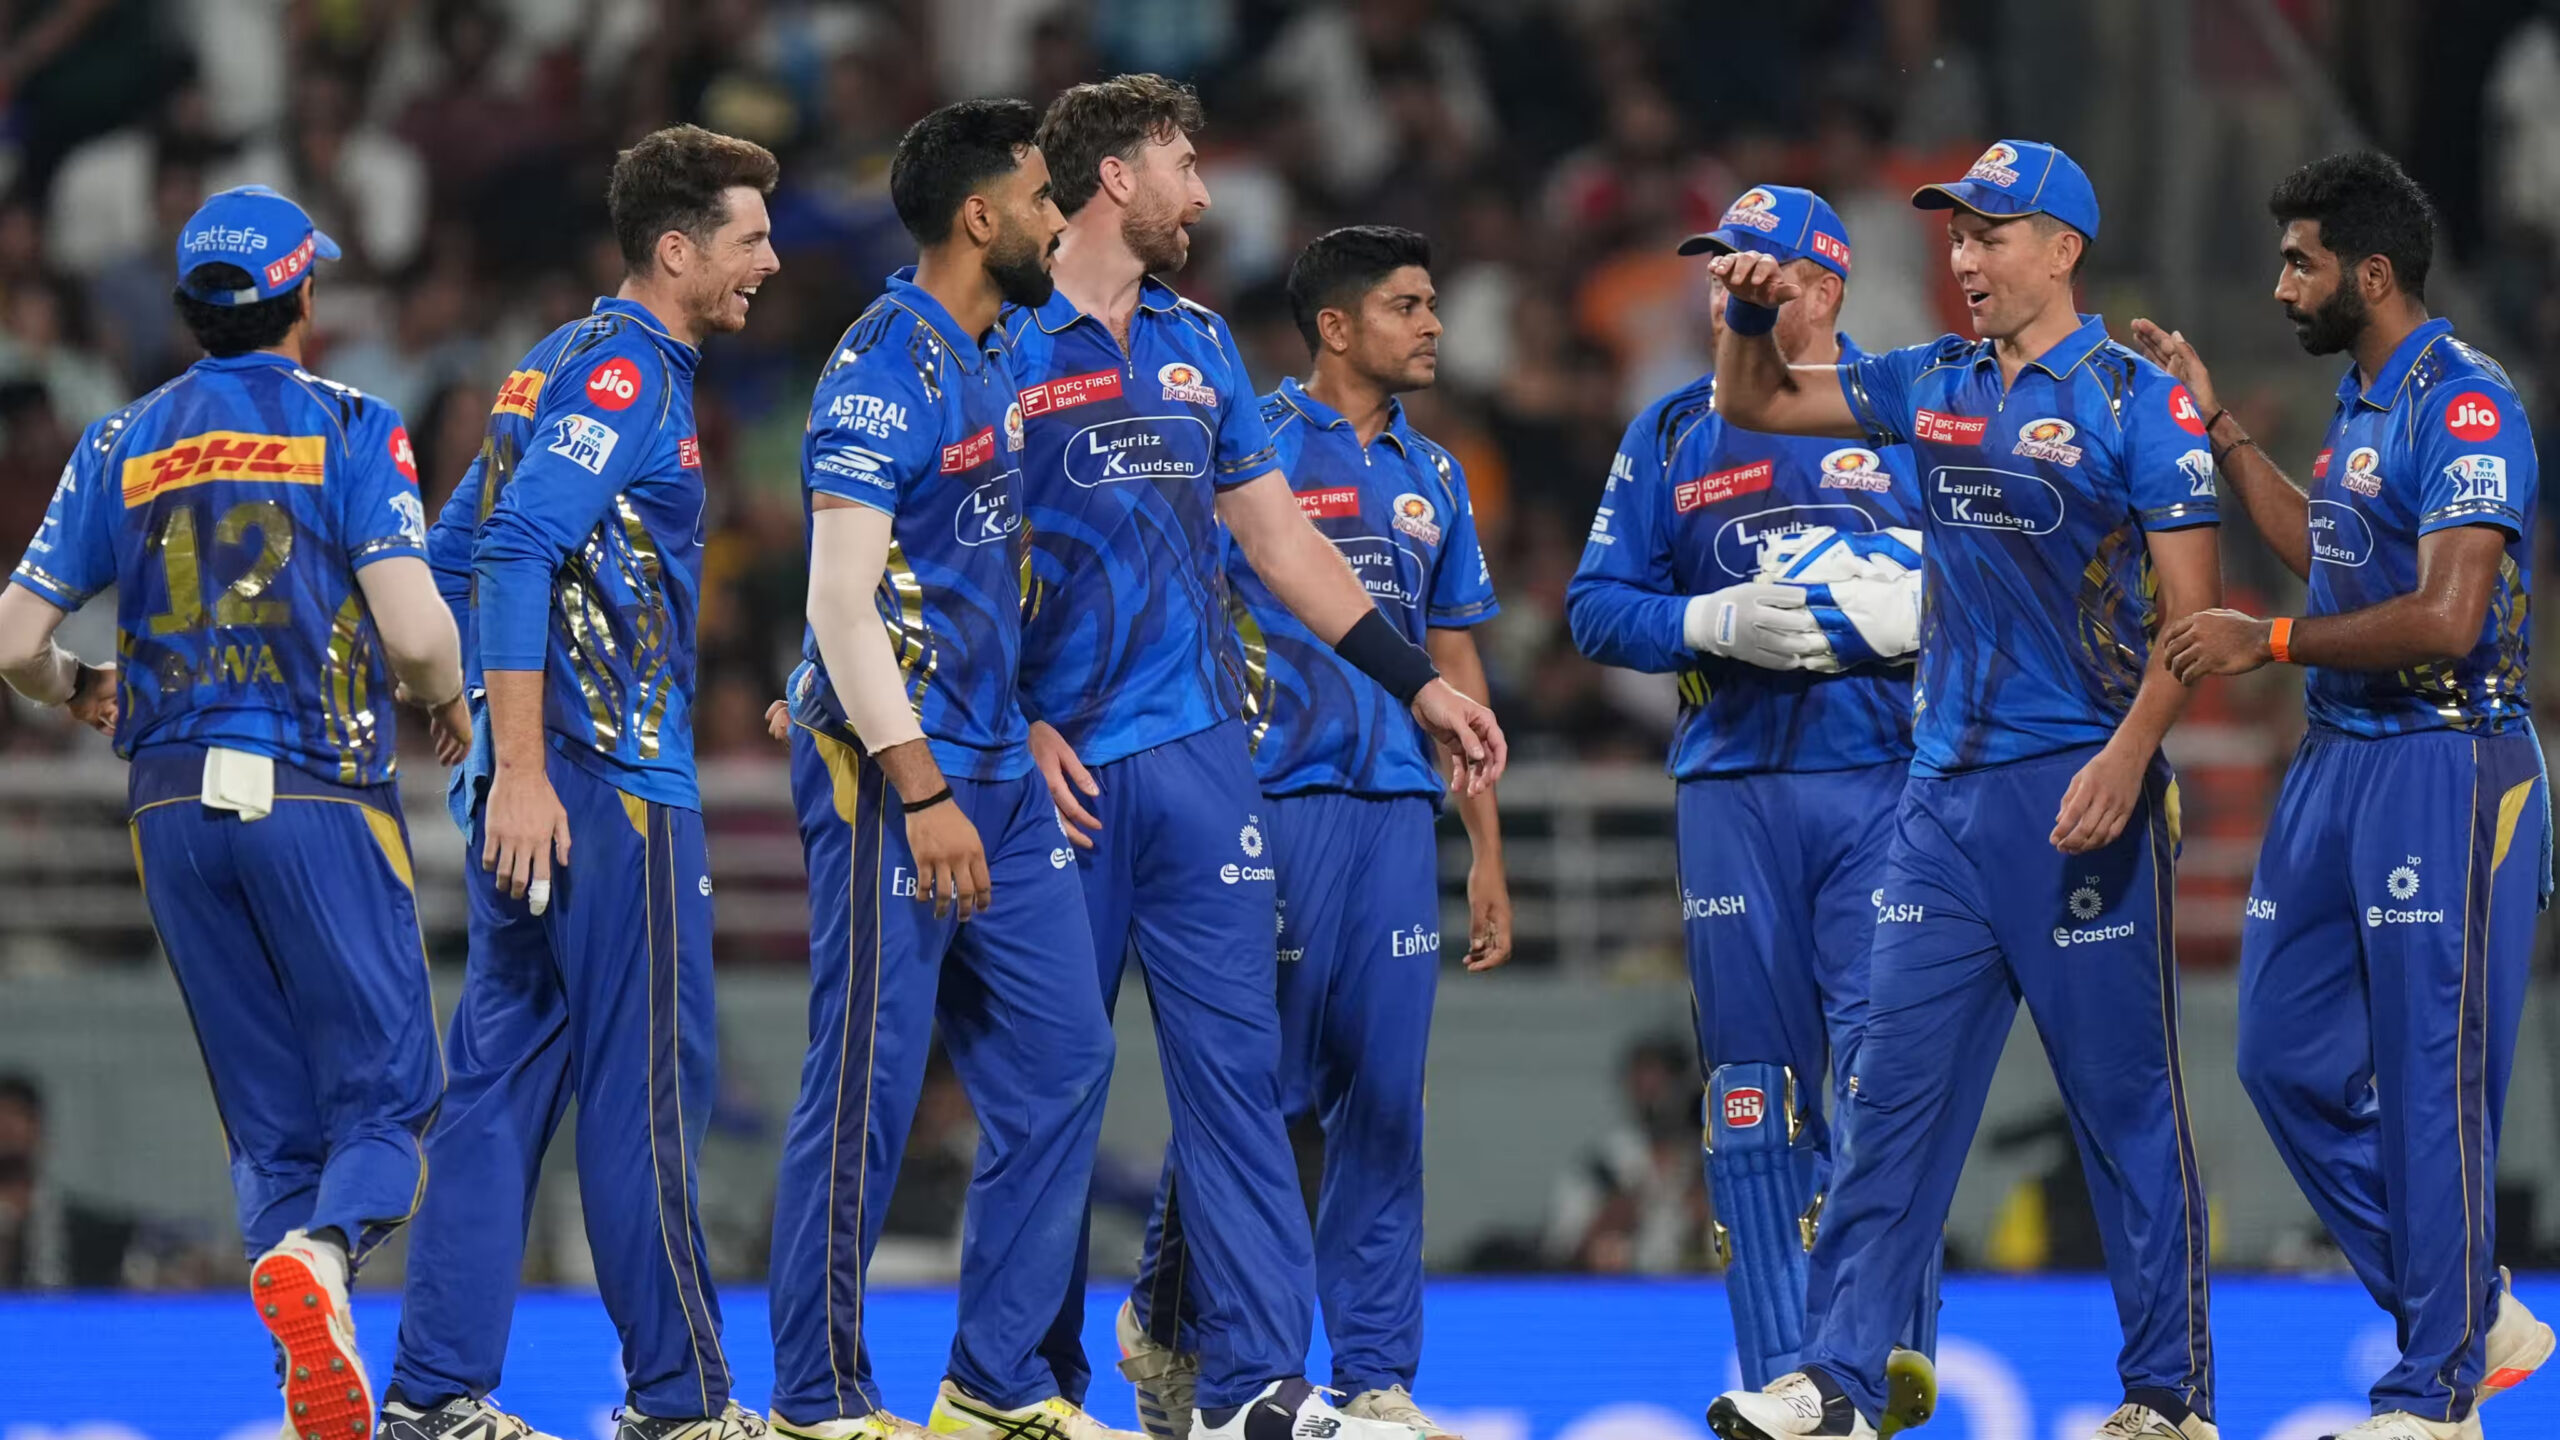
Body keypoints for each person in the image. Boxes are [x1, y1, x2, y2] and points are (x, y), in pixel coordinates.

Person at [1697, 141, 2223, 1440]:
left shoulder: (2137, 401)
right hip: (1936, 805)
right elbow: (1756, 406)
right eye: (1954, 236)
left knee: (2124, 1111)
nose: (1966, 260)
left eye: (1990, 236)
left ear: (2062, 248)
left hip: (2078, 797)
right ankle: (1838, 1378)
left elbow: (2197, 622)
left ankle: (2169, 1399)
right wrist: (1753, 313)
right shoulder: (1930, 379)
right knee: (1887, 1107)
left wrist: (2123, 757)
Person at [1005, 74, 1504, 1440]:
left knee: (1237, 1087)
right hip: (1049, 762)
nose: (1204, 191)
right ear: (1115, 178)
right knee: (1055, 1088)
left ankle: (1256, 1388)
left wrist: (1422, 690)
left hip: (1195, 758)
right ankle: (1029, 1391)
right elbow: (950, 545)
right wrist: (1007, 715)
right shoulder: (996, 330)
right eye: (1180, 162)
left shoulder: (1199, 345)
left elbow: (1283, 548)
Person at [0, 183, 465, 1438]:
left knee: (271, 1125)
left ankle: (304, 1370)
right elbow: (419, 634)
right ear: (304, 296)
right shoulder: (354, 424)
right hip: (313, 781)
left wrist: (75, 687)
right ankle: (322, 1263)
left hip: (163, 805)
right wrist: (451, 698)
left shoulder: (121, 439)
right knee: (389, 1103)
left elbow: (14, 639)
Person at [2134, 150, 2555, 1440]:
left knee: (2430, 1082)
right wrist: (2220, 430)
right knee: (2277, 1053)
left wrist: (2264, 643)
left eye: (2299, 263)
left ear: (2370, 274)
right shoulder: (2364, 402)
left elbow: (2445, 616)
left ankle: (2431, 1396)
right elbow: (2326, 543)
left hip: (2446, 761)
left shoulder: (2467, 404)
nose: (2278, 287)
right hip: (2338, 763)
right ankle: (2471, 1306)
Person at [386, 125, 781, 1440]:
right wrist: (529, 767)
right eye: (749, 239)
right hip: (608, 792)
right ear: (677, 252)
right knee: (646, 1100)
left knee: (495, 1096)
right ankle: (681, 1406)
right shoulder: (629, 379)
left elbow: (441, 557)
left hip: (541, 792)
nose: (771, 263)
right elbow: (508, 549)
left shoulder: (545, 365)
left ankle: (437, 1398)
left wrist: (474, 723)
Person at [764, 97, 1132, 1440]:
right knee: (861, 1090)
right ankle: (817, 1401)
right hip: (894, 781)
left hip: (994, 765)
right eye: (1042, 196)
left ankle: (992, 1388)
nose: (1056, 216)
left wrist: (1013, 720)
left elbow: (959, 568)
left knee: (1065, 1064)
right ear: (982, 216)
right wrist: (917, 788)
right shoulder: (881, 368)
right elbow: (842, 605)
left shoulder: (991, 347)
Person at [1118, 223, 1510, 1440]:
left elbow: (1454, 663)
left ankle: (1377, 1374)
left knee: (1384, 1099)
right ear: (1335, 325)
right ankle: (1181, 1326)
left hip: (1394, 810)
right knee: (1256, 1093)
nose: (1434, 322)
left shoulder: (1436, 475)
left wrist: (1485, 848)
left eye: (1432, 299)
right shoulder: (1254, 448)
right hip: (1264, 800)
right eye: (1408, 303)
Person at [1565, 185, 1935, 1429]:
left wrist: (1927, 608)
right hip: (1731, 790)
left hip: (1882, 784)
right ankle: (1786, 1376)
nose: (1728, 290)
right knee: (1748, 1094)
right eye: (1720, 271)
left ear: (1825, 286)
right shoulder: (1669, 430)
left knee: (1885, 1077)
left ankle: (1880, 1362)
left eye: (1759, 273)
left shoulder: (1905, 409)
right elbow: (1594, 606)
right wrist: (1704, 620)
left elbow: (2012, 589)